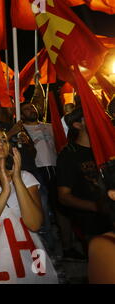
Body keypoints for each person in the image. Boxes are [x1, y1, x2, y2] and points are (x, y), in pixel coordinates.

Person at [56, 107, 112, 256]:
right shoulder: (68, 155)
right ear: (77, 125)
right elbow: (64, 196)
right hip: (92, 224)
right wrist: (97, 207)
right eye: (91, 117)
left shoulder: (106, 149)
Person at [21, 102, 57, 251]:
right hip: (38, 169)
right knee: (43, 205)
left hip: (55, 167)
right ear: (22, 114)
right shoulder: (22, 129)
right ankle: (47, 245)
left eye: (33, 106)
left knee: (57, 205)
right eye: (27, 109)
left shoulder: (49, 126)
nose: (32, 109)